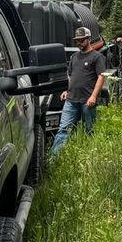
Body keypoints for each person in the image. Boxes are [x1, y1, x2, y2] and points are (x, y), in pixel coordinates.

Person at [52, 26, 106, 154]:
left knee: (89, 130)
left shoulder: (97, 57)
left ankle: (89, 156)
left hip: (87, 101)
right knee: (63, 129)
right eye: (77, 41)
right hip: (71, 100)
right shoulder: (74, 57)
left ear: (88, 39)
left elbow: (101, 77)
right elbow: (71, 76)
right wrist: (67, 90)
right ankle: (54, 158)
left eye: (82, 40)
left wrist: (93, 96)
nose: (79, 43)